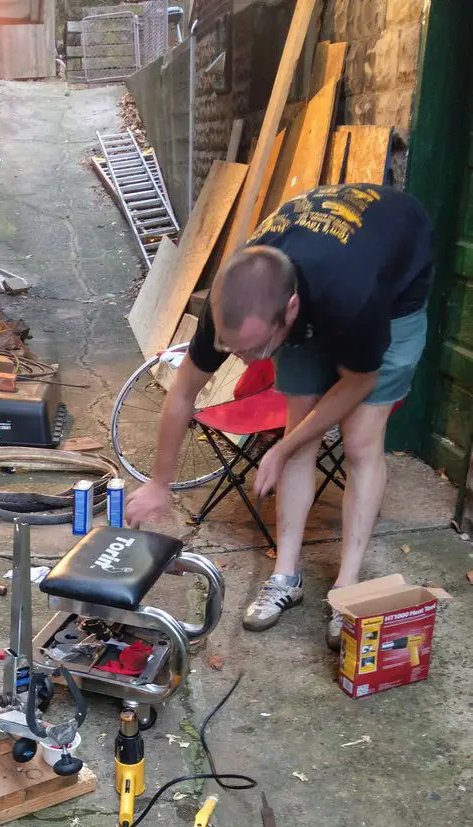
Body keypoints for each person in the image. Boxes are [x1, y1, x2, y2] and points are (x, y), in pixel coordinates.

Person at [126, 183, 433, 649]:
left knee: (359, 441)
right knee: (299, 434)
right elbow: (185, 389)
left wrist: (280, 449)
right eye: (236, 349)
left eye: (254, 349)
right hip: (312, 294)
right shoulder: (236, 304)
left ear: (289, 311)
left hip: (393, 297)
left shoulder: (351, 292)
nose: (246, 361)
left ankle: (346, 589)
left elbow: (359, 381)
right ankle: (286, 576)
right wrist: (159, 481)